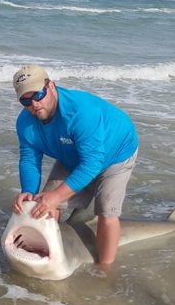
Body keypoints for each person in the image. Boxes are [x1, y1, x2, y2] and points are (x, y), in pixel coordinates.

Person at [11, 65, 138, 265]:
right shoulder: (25, 123)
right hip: (73, 154)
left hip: (117, 152)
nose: (34, 104)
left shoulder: (80, 113)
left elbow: (92, 163)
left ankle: (105, 268)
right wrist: (28, 190)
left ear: (51, 86)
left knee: (106, 210)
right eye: (25, 100)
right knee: (42, 205)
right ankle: (54, 257)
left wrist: (58, 195)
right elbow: (29, 158)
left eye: (38, 94)